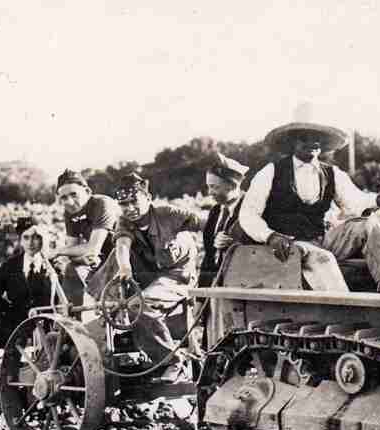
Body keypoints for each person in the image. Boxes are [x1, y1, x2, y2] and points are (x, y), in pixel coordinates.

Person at [238, 121, 380, 292]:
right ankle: (344, 307)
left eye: (317, 138)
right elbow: (248, 214)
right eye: (304, 138)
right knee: (324, 258)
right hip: (290, 245)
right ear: (292, 142)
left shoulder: (332, 173)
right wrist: (270, 236)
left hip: (321, 239)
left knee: (368, 224)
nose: (312, 143)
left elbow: (354, 203)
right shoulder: (271, 172)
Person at [98, 172, 203, 366]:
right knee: (125, 299)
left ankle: (171, 363)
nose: (130, 208)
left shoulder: (169, 214)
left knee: (137, 306)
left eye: (134, 201)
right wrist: (124, 267)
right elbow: (122, 245)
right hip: (151, 275)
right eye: (124, 204)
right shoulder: (124, 222)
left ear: (148, 198)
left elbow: (207, 224)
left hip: (178, 275)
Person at [0, 217, 54, 346]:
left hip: (45, 326)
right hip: (16, 325)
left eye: (36, 237)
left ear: (44, 239)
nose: (30, 243)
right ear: (20, 240)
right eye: (26, 237)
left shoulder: (54, 267)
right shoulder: (11, 266)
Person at [50, 169, 121, 307]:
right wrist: (82, 257)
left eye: (74, 195)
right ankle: (72, 320)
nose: (69, 202)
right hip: (103, 257)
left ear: (87, 191)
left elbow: (93, 248)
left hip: (128, 254)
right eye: (63, 198)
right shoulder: (70, 212)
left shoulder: (102, 204)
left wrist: (58, 251)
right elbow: (73, 250)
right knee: (72, 268)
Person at [198, 151, 249, 286]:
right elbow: (208, 258)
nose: (209, 192)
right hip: (215, 286)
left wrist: (235, 243)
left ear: (232, 185)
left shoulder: (252, 210)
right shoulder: (215, 212)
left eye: (214, 187)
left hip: (242, 285)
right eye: (208, 186)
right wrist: (201, 298)